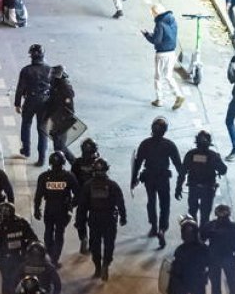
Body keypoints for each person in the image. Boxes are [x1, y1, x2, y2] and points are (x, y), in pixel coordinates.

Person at [131, 116, 182, 249]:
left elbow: (137, 163)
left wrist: (134, 179)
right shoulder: (169, 145)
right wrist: (181, 182)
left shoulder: (145, 143)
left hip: (149, 177)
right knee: (165, 204)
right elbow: (178, 164)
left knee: (151, 201)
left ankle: (153, 226)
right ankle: (162, 229)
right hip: (163, 178)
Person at [80, 157, 126, 280]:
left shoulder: (88, 185)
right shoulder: (112, 185)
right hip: (109, 218)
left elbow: (82, 207)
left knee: (95, 244)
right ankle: (106, 263)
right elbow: (120, 202)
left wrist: (80, 221)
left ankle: (98, 268)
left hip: (94, 218)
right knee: (109, 243)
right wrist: (123, 217)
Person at [35, 151, 80, 266]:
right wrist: (71, 206)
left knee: (48, 231)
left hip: (49, 208)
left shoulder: (44, 177)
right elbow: (78, 194)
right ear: (63, 162)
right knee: (59, 234)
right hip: (63, 210)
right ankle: (54, 259)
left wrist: (36, 209)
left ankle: (49, 255)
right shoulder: (68, 176)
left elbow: (38, 195)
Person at [0, 202, 39, 294]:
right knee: (14, 283)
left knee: (10, 284)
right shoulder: (20, 223)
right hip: (15, 259)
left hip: (14, 260)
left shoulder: (3, 226)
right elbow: (33, 239)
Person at [201, 204, 235, 294]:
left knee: (231, 286)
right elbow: (201, 240)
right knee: (220, 286)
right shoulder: (232, 228)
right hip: (218, 259)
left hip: (225, 259)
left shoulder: (212, 226)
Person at [177, 130, 226, 224]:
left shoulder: (191, 154)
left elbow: (182, 172)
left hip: (194, 187)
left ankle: (193, 232)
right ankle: (202, 234)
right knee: (205, 214)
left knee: (192, 212)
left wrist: (178, 187)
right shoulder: (212, 155)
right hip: (207, 189)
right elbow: (223, 170)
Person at [143, 4, 185, 109]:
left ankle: (159, 99)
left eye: (152, 13)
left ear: (156, 13)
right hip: (171, 53)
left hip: (161, 54)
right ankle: (178, 95)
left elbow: (156, 40)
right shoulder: (173, 21)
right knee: (168, 75)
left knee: (158, 77)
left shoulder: (159, 23)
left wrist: (147, 35)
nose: (152, 15)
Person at [15, 44, 52, 161]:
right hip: (45, 102)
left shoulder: (26, 70)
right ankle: (42, 157)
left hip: (30, 100)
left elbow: (20, 88)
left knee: (26, 124)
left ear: (31, 56)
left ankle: (26, 150)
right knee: (42, 130)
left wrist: (17, 103)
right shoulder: (50, 69)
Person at [44, 66, 76, 158]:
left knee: (60, 147)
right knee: (58, 147)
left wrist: (60, 127)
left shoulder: (64, 89)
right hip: (57, 120)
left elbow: (69, 111)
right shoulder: (56, 87)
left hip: (62, 121)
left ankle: (73, 163)